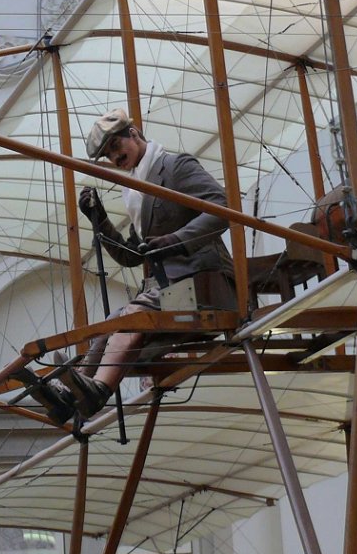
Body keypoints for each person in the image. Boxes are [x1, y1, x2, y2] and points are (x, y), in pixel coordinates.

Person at [37, 108, 230, 422]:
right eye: (107, 155)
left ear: (134, 133)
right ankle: (72, 395)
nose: (114, 157)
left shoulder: (176, 167)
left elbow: (223, 207)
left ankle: (98, 389)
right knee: (111, 323)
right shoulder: (137, 191)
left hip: (204, 285)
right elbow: (131, 256)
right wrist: (99, 219)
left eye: (115, 146)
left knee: (131, 317)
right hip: (172, 290)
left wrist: (176, 240)